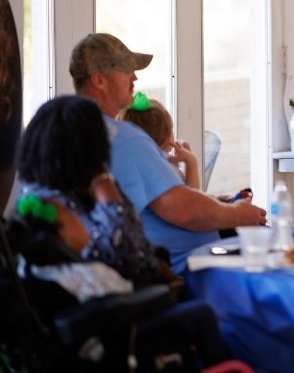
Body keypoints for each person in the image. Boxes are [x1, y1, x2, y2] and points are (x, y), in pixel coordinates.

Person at [69, 33, 266, 274]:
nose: (135, 76)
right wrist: (237, 214)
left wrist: (215, 204)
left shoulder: (69, 130)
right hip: (177, 273)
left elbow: (160, 199)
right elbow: (183, 210)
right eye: (125, 69)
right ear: (99, 80)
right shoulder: (123, 137)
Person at [10, 194, 231, 369]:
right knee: (201, 311)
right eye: (73, 219)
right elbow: (128, 292)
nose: (82, 223)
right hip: (124, 337)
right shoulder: (85, 273)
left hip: (97, 340)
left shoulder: (34, 272)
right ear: (60, 235)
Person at [17, 95, 171, 289]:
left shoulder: (49, 190)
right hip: (114, 306)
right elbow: (127, 257)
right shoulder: (53, 204)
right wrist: (103, 183)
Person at [118, 92, 201, 190]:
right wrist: (190, 161)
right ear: (166, 138)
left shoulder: (130, 166)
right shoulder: (167, 170)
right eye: (171, 130)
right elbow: (193, 199)